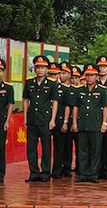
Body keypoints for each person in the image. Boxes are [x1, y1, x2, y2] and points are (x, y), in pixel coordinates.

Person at [23, 55, 60, 183]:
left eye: (43, 67)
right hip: (32, 119)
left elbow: (55, 101)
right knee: (31, 148)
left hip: (45, 119)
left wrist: (53, 119)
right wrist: (25, 117)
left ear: (47, 69)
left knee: (46, 147)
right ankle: (33, 172)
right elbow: (26, 100)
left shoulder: (52, 84)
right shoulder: (29, 83)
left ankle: (45, 172)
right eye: (38, 67)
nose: (40, 70)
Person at [71, 64, 107, 183]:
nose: (89, 78)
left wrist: (104, 123)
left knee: (95, 150)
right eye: (87, 75)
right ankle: (83, 173)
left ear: (97, 77)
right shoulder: (80, 90)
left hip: (96, 124)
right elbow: (76, 107)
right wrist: (74, 123)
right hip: (83, 124)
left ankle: (93, 174)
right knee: (82, 150)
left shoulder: (102, 91)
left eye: (92, 75)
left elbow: (105, 107)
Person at [0, 59, 14, 182]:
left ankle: (0, 174)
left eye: (0, 70)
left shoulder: (8, 87)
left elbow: (10, 105)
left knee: (0, 147)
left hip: (1, 120)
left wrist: (7, 121)